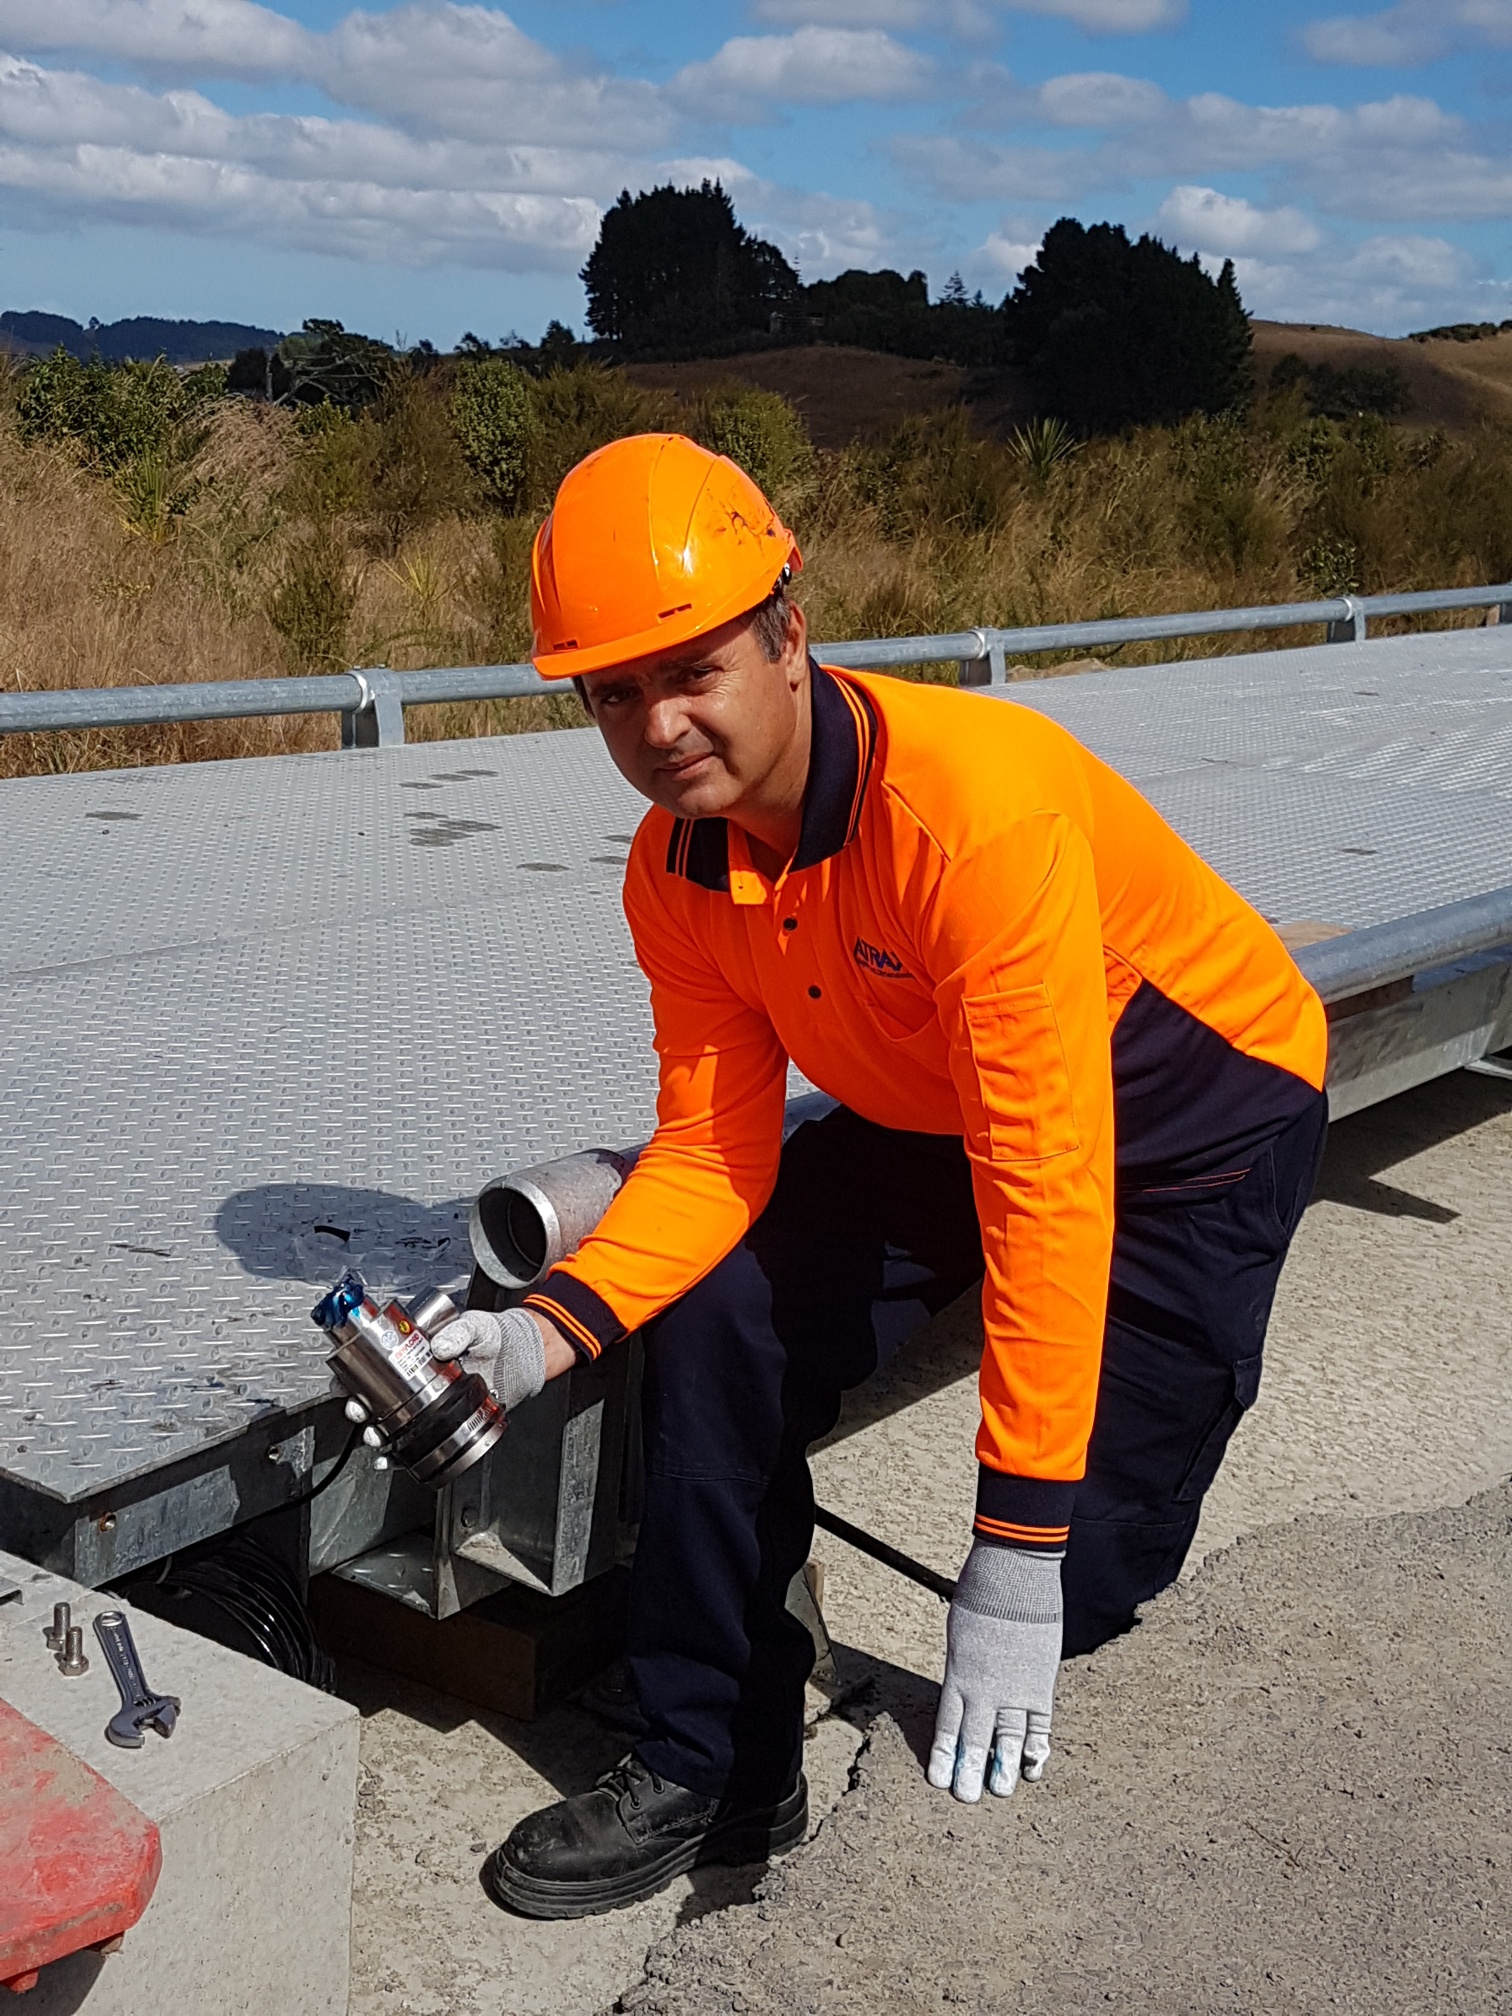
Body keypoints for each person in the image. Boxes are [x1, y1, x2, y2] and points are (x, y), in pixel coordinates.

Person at [423, 433, 1329, 1920]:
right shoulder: (679, 869)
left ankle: (994, 1851)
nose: (658, 727)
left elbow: (1048, 1182)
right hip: (936, 1099)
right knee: (718, 1320)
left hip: (1186, 1121)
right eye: (613, 693)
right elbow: (714, 1147)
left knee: (1077, 1564)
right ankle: (717, 1754)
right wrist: (543, 1332)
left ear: (791, 633)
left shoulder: (976, 811)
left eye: (691, 668)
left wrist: (1016, 1549)